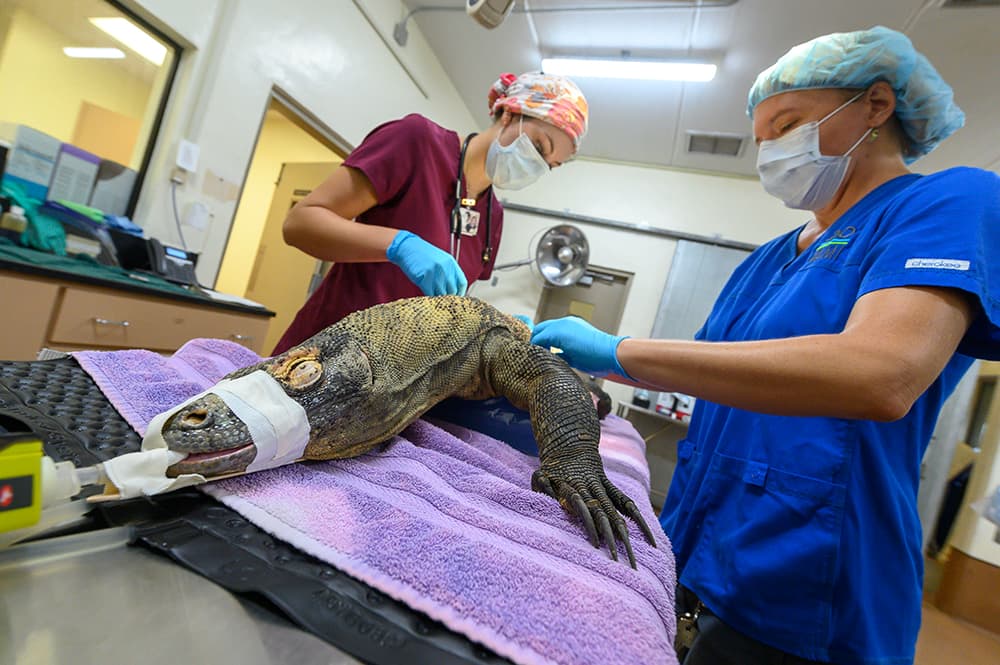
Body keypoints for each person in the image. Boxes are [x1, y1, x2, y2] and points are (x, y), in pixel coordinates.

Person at [530, 26, 999, 665]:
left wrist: (618, 349)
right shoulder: (769, 259)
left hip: (813, 577)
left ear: (876, 105)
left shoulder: (947, 202)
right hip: (702, 551)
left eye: (789, 123)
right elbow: (705, 371)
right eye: (764, 137)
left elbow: (881, 374)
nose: (773, 150)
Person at [271, 71, 588, 354]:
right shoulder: (418, 142)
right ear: (508, 113)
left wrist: (490, 328)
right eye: (538, 145)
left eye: (550, 164)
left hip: (391, 386)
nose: (537, 163)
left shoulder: (494, 215)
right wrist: (399, 245)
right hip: (319, 356)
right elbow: (300, 223)